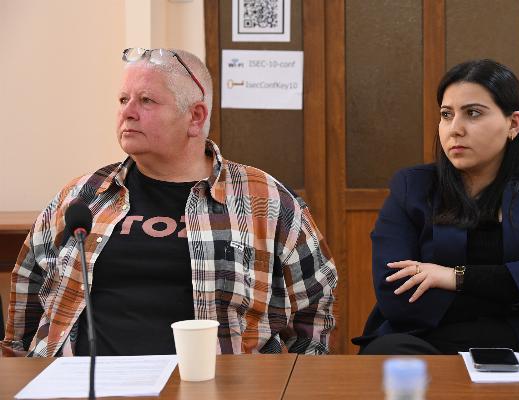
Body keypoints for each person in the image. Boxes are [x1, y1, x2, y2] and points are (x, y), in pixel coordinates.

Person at [1, 48, 337, 357]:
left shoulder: (266, 201)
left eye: (146, 100)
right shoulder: (82, 196)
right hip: (81, 385)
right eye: (123, 99)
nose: (127, 112)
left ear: (195, 117)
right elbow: (28, 292)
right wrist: (20, 377)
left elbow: (314, 310)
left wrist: (294, 384)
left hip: (217, 387)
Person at [355, 59, 519, 355]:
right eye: (446, 114)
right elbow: (396, 292)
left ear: (513, 124)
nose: (454, 129)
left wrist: (453, 277)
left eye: (473, 113)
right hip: (427, 340)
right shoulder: (411, 188)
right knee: (389, 356)